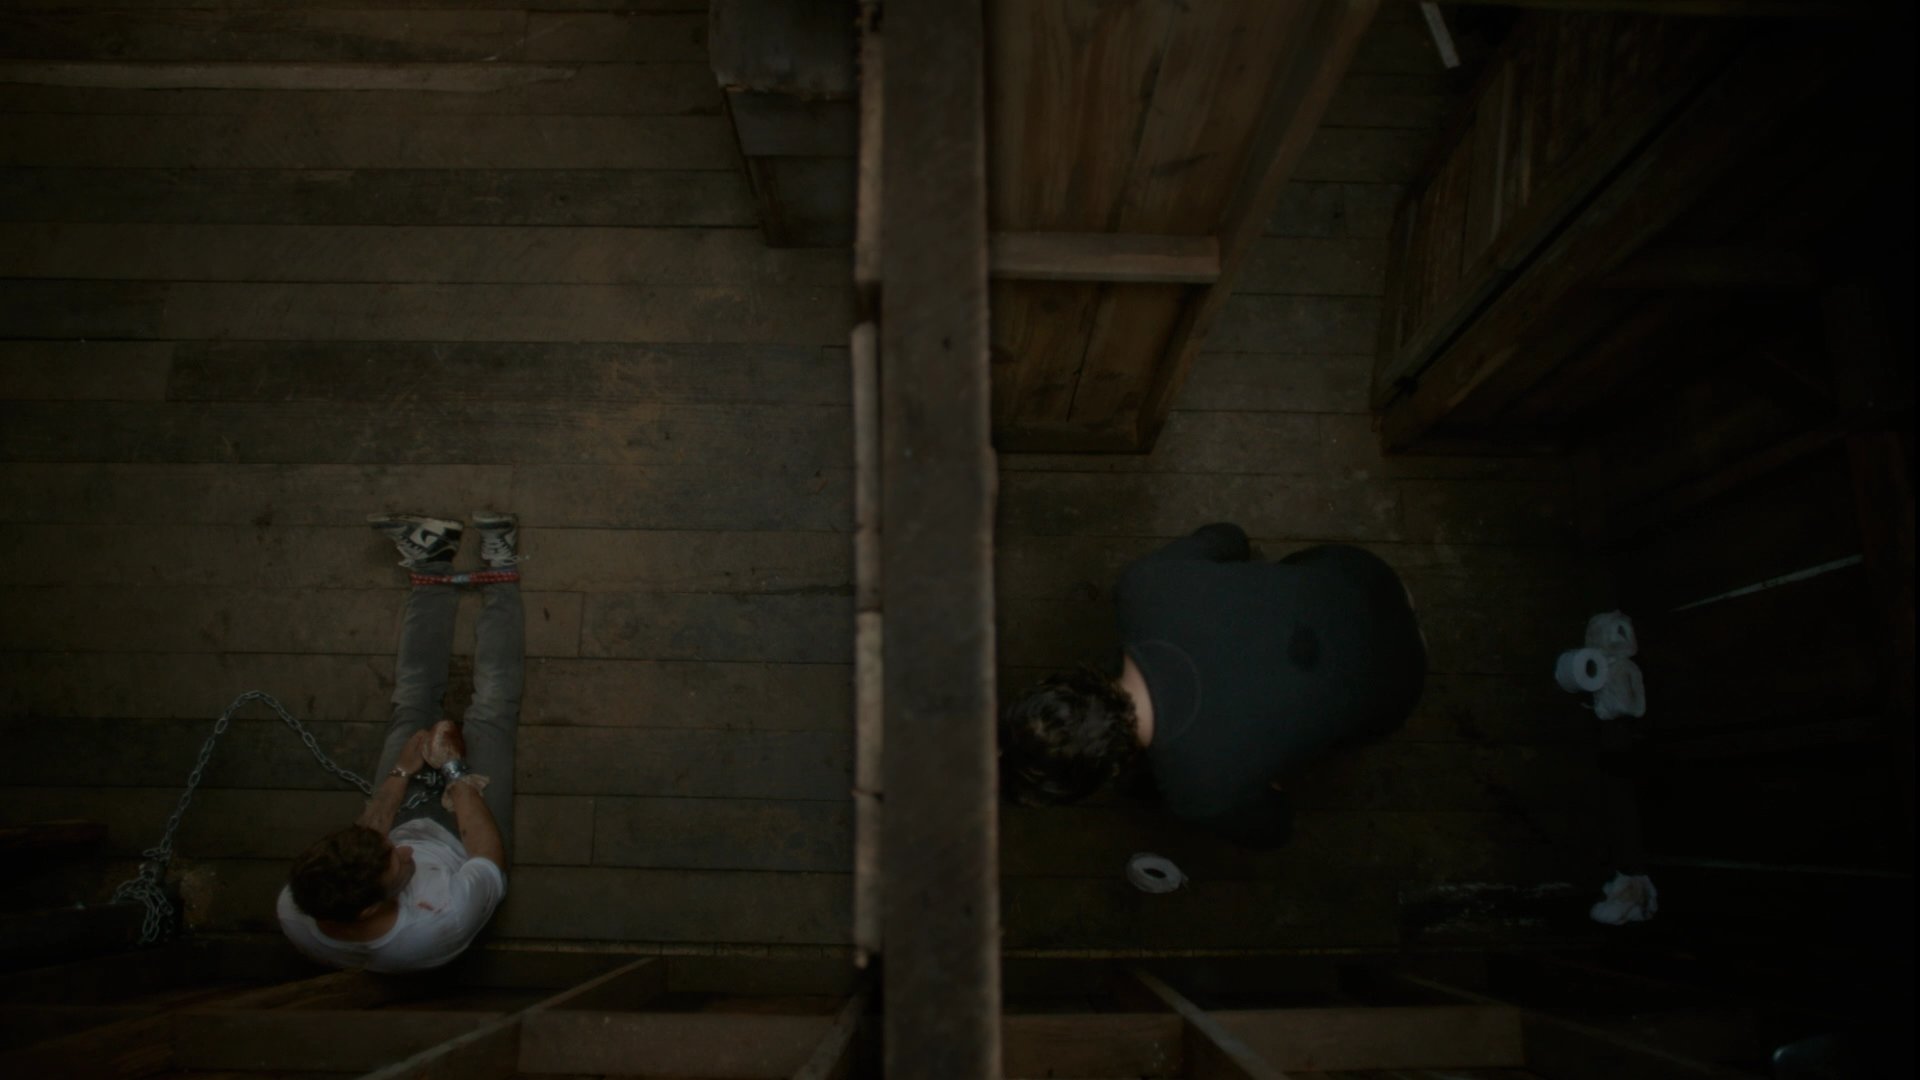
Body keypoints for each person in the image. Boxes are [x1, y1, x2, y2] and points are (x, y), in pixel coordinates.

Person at [999, 523, 1426, 849]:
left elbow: (1276, 828)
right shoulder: (1143, 584)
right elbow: (1230, 538)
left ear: (1104, 774)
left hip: (1401, 682)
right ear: (1063, 681)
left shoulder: (1200, 791)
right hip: (1366, 578)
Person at [276, 512, 524, 972]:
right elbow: (489, 859)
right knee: (490, 713)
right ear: (372, 908)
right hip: (464, 842)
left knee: (410, 708)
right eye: (397, 862)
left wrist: (402, 771)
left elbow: (371, 833)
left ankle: (432, 564)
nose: (403, 849)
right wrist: (454, 771)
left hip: (404, 812)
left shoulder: (297, 904)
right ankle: (502, 575)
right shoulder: (441, 917)